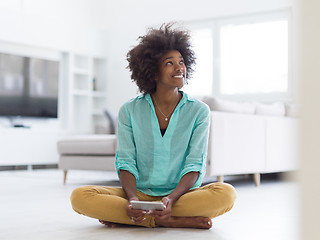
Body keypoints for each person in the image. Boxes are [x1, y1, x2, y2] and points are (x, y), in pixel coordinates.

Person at [70, 23, 236, 229]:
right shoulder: (129, 111)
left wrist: (171, 199)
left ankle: (137, 219)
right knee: (80, 196)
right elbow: (126, 162)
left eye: (182, 62)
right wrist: (131, 199)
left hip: (181, 196)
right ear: (152, 72)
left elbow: (195, 165)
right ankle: (173, 220)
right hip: (138, 194)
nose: (179, 68)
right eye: (170, 63)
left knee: (226, 194)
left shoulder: (199, 111)